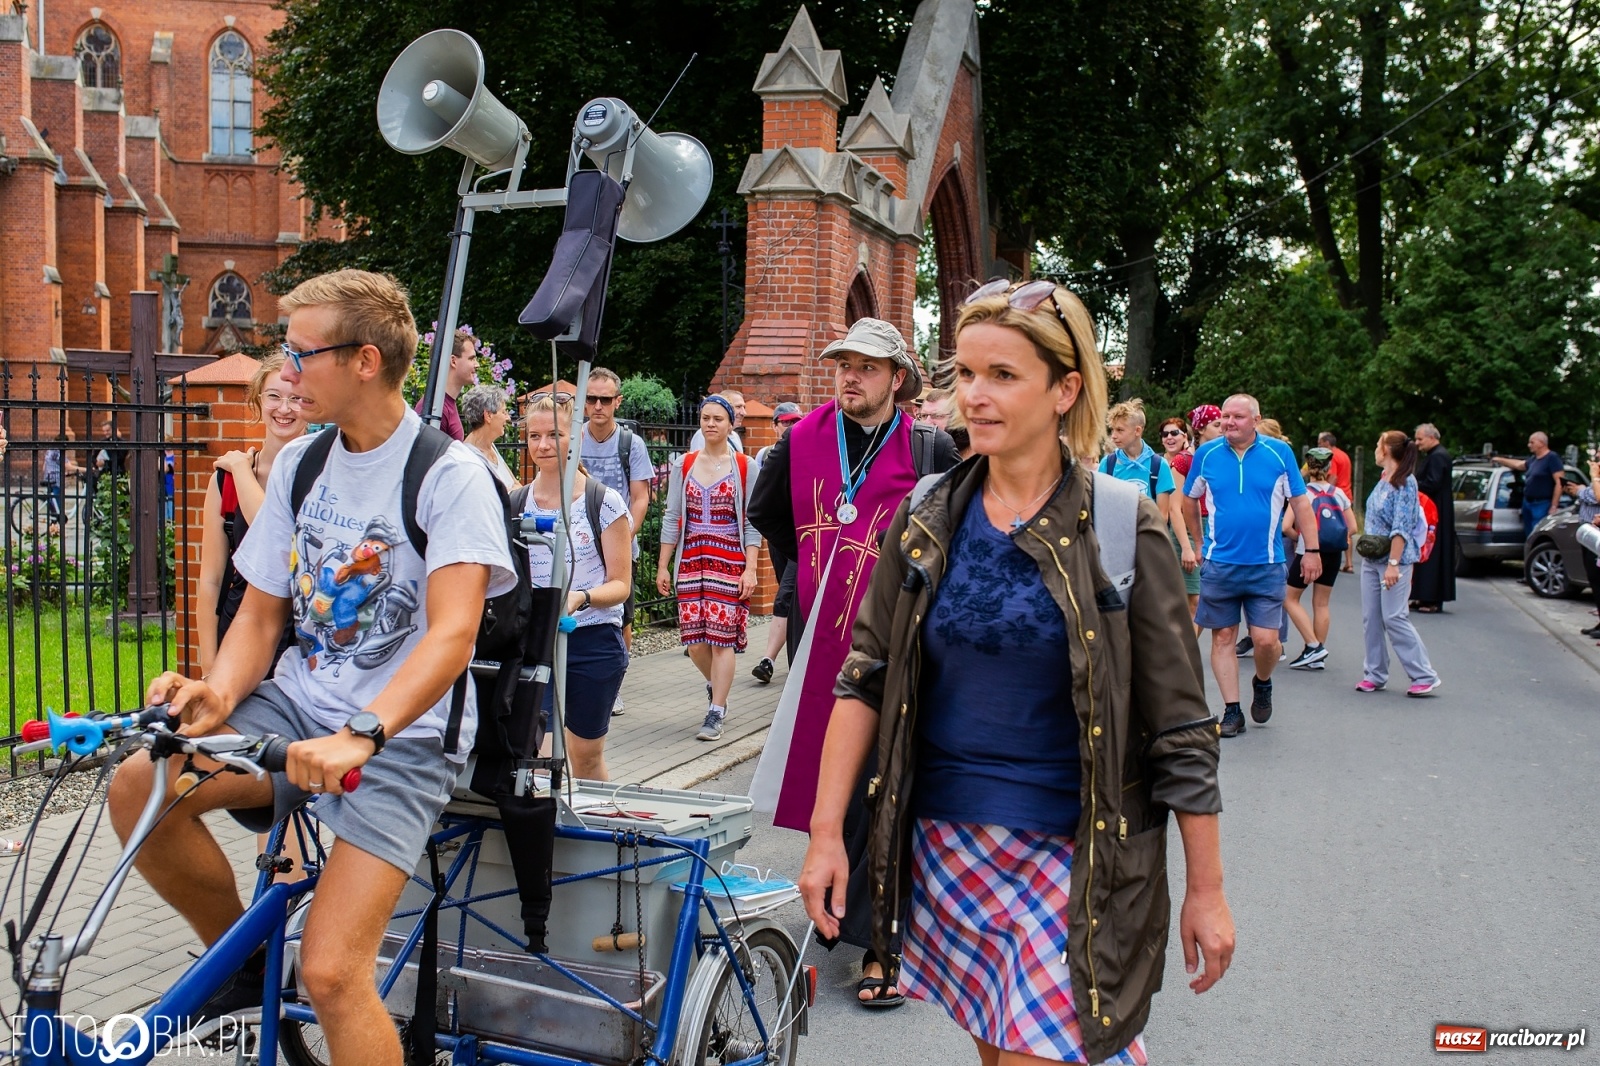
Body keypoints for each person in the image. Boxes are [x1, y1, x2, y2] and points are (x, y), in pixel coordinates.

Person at [799, 279, 1233, 1064]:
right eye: (966, 373)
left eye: (1003, 375)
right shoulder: (926, 516)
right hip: (945, 845)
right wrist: (827, 834)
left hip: (1072, 857)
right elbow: (865, 676)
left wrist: (1206, 890)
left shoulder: (1122, 525)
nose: (976, 395)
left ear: (1065, 390)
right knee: (996, 1054)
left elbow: (1179, 727)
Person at [108, 269, 517, 1059]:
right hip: (298, 706)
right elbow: (262, 612)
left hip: (401, 736)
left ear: (365, 361)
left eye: (301, 354)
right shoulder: (303, 462)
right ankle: (242, 960)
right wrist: (217, 690)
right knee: (139, 785)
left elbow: (452, 635)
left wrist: (363, 733)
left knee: (332, 974)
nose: (287, 371)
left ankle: (293, 976)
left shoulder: (449, 475)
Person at [747, 316, 957, 1007]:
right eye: (843, 365)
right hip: (821, 639)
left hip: (901, 639)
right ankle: (843, 897)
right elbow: (767, 511)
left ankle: (879, 942)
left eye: (867, 367)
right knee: (835, 778)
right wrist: (815, 567)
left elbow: (956, 532)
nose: (851, 377)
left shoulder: (928, 447)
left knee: (888, 778)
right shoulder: (800, 440)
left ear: (897, 378)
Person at [1182, 394, 1321, 737]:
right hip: (1220, 564)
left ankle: (1262, 681)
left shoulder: (1279, 453)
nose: (1229, 422)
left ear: (1256, 420)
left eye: (1238, 417)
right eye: (1225, 416)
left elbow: (1301, 503)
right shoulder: (1207, 454)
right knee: (1223, 637)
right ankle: (1232, 710)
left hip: (1266, 564)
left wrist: (1312, 549)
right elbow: (1189, 499)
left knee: (1266, 641)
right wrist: (1199, 543)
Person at [517, 394, 632, 780]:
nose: (543, 445)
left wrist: (580, 597)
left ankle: (598, 818)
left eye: (555, 434)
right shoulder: (517, 503)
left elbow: (621, 585)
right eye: (534, 436)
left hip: (593, 643)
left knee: (584, 758)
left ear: (576, 437)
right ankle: (549, 819)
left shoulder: (603, 501)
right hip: (537, 644)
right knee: (540, 756)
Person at [657, 396, 761, 742]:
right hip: (692, 561)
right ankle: (716, 686)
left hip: (729, 562)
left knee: (720, 641)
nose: (711, 424)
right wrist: (663, 565)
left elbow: (752, 523)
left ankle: (716, 710)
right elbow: (672, 516)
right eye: (705, 418)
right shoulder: (684, 464)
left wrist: (751, 569)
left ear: (731, 424)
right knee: (695, 644)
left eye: (718, 418)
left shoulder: (745, 466)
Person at [197, 352, 308, 674]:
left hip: (302, 639)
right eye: (274, 396)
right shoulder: (225, 481)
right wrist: (209, 666)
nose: (284, 408)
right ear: (258, 400)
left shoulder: (321, 475)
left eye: (296, 398)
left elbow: (274, 537)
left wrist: (242, 470)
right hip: (238, 632)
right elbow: (211, 580)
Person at [580, 368, 653, 716]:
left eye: (605, 399)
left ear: (617, 401)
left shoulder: (630, 444)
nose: (598, 406)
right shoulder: (573, 438)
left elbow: (640, 498)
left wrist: (623, 537)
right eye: (591, 398)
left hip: (620, 544)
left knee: (620, 618)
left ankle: (614, 685)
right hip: (579, 544)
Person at [1357, 431, 1441, 696]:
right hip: (1372, 559)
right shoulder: (1384, 478)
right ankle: (1375, 673)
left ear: (1387, 450)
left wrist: (1393, 564)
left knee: (1394, 616)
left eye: (1378, 444)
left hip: (1394, 561)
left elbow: (1401, 527)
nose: (1375, 449)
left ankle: (1424, 674)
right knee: (1371, 618)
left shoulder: (1406, 483)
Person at [1103, 399, 1195, 595]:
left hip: (1147, 546)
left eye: (1120, 430)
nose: (1114, 436)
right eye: (1112, 430)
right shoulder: (1108, 464)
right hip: (1115, 547)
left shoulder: (1157, 465)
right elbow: (1100, 507)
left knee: (1148, 598)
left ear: (1137, 431)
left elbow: (1162, 515)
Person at [1284, 448, 1355, 670]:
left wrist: (1301, 539)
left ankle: (1312, 645)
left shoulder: (1303, 493)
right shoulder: (1339, 493)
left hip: (1308, 552)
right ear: (1329, 467)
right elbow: (1352, 527)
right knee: (1322, 603)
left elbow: (1286, 527)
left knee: (1289, 598)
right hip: (1332, 553)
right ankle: (1318, 654)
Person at [753, 402, 804, 685]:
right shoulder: (764, 456)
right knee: (793, 598)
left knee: (786, 595)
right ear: (774, 426)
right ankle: (799, 656)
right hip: (778, 537)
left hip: (803, 537)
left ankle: (768, 660)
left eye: (796, 421)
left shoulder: (809, 450)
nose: (791, 426)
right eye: (785, 422)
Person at [1411, 423, 1456, 612]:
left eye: (1420, 439)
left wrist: (1413, 484)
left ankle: (1432, 599)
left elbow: (1432, 482)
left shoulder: (1438, 456)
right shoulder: (1435, 455)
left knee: (1433, 552)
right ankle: (1423, 595)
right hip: (1434, 508)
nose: (1417, 443)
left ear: (1432, 438)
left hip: (1435, 510)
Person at [1161, 416, 1202, 616]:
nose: (1169, 437)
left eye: (1174, 433)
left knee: (1194, 599)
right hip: (1168, 531)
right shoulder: (1159, 463)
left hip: (1189, 528)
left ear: (1185, 436)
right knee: (1183, 598)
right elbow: (1172, 508)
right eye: (1164, 434)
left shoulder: (1191, 459)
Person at [1492, 431, 1564, 540]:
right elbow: (1518, 465)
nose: (1529, 445)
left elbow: (1560, 482)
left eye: (1532, 442)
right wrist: (1499, 459)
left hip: (1542, 503)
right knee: (1529, 535)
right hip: (1528, 503)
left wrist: (1554, 505)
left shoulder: (1552, 458)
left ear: (1541, 443)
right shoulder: (1534, 460)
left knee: (1537, 535)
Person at [412, 328, 479, 441]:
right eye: (471, 359)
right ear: (453, 361)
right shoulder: (436, 408)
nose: (477, 365)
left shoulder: (444, 404)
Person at [458, 384, 519, 491]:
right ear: (488, 415)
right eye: (504, 412)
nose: (508, 417)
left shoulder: (490, 446)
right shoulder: (470, 458)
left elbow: (515, 484)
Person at [1570, 457, 1600, 638]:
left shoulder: (1596, 476)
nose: (1597, 459)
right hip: (1590, 534)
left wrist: (1582, 490)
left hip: (1597, 536)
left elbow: (1597, 497)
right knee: (1594, 578)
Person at [1319, 431, 1353, 501]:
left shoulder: (1331, 456)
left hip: (1337, 496)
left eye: (1320, 444)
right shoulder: (1343, 454)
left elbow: (1333, 478)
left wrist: (1326, 496)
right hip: (1346, 495)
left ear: (1327, 443)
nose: (1319, 447)